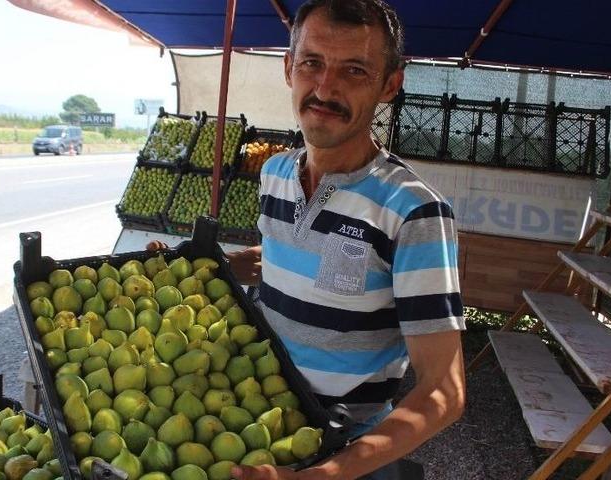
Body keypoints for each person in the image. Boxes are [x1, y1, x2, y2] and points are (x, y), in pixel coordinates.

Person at [150, 1, 465, 478]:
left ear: (389, 85)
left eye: (354, 70)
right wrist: (198, 268)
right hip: (247, 406)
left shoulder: (414, 212)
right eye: (311, 63)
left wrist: (324, 475)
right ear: (288, 68)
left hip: (337, 443)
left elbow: (444, 392)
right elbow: (279, 257)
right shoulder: (275, 173)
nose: (325, 88)